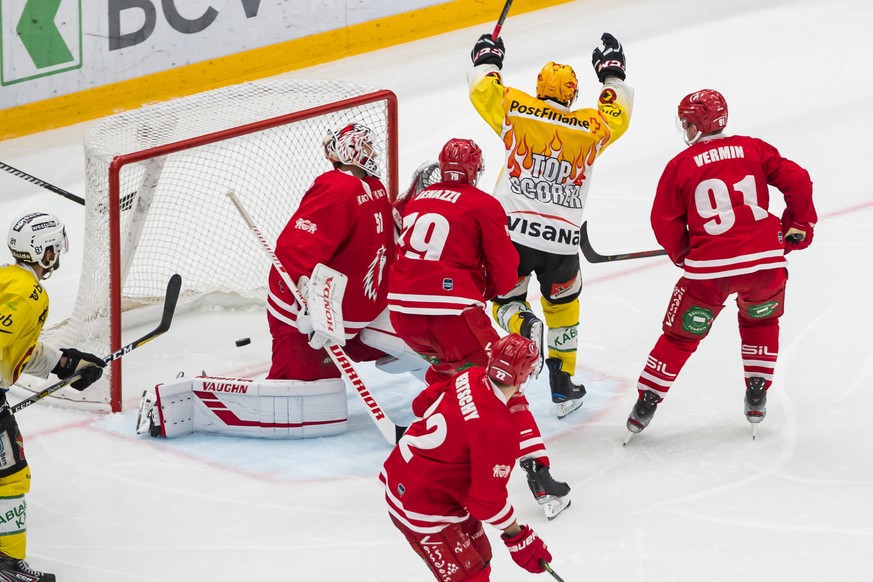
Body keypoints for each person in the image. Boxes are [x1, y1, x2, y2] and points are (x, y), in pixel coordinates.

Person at [389, 138, 571, 519]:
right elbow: (506, 279)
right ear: (475, 170)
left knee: (451, 378)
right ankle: (539, 473)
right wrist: (480, 287)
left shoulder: (418, 200)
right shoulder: (484, 204)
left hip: (402, 315)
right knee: (504, 381)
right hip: (452, 315)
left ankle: (434, 450)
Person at [625, 89, 816, 438]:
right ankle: (757, 392)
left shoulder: (680, 164)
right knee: (761, 323)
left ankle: (647, 400)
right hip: (764, 269)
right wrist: (799, 224)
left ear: (699, 123)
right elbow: (798, 179)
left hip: (709, 276)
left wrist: (683, 252)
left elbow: (663, 221)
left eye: (687, 122)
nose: (685, 128)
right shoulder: (754, 148)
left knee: (680, 338)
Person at [468, 31, 634, 418]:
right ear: (573, 96)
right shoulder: (590, 128)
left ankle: (522, 322)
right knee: (563, 308)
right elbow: (618, 114)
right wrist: (612, 74)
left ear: (538, 88)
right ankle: (562, 385)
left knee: (505, 300)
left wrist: (488, 59)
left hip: (510, 236)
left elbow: (483, 91)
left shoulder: (516, 108)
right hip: (561, 241)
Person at [381, 333, 554, 581]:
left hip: (405, 475)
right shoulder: (499, 430)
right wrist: (517, 536)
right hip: (424, 506)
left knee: (480, 558)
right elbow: (485, 502)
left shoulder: (469, 376)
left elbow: (421, 404)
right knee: (471, 577)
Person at [267, 122, 422, 384]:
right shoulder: (335, 189)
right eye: (369, 146)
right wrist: (309, 299)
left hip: (353, 309)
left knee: (421, 339)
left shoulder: (373, 186)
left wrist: (402, 210)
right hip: (305, 309)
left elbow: (377, 237)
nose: (373, 153)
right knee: (310, 388)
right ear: (352, 148)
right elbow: (295, 248)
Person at [1, 212, 107, 582]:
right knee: (10, 477)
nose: (57, 253)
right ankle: (5, 567)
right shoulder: (28, 293)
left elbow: (15, 348)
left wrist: (64, 363)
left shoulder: (6, 278)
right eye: (54, 246)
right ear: (43, 251)